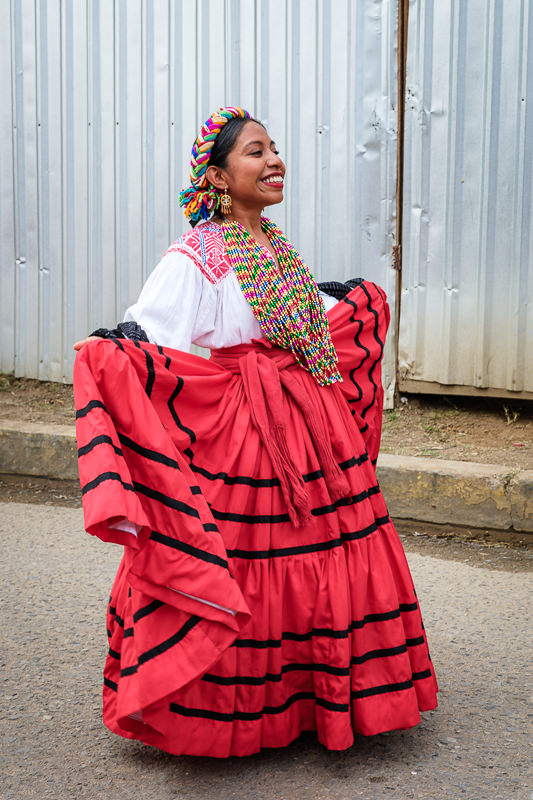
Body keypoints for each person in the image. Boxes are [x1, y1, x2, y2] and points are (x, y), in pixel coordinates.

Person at [73, 106, 438, 758]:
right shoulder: (195, 257)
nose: (273, 161)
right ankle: (229, 710)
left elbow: (298, 320)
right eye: (254, 152)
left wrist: (348, 301)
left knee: (325, 557)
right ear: (216, 175)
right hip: (242, 439)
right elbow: (155, 334)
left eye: (274, 149)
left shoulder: (275, 247)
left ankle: (305, 700)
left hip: (305, 429)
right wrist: (113, 352)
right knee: (239, 562)